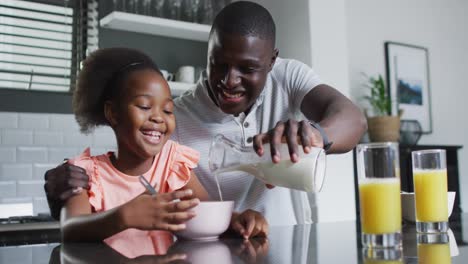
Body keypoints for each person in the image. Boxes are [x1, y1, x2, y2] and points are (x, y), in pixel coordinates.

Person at [45, 1, 367, 226]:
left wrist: (316, 135)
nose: (229, 80)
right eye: (219, 63)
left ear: (272, 62)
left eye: (247, 69)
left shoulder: (288, 78)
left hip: (289, 245)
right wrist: (71, 188)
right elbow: (130, 182)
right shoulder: (178, 119)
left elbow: (353, 119)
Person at [59, 47, 268, 243]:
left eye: (168, 110)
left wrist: (238, 219)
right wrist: (123, 216)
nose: (158, 118)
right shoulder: (86, 173)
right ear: (113, 113)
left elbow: (205, 210)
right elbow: (70, 229)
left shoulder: (171, 162)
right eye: (144, 106)